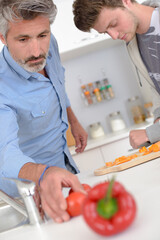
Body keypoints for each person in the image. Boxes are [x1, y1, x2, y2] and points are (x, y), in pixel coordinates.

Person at [0, 0, 88, 223]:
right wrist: (43, 173)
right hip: (31, 197)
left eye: (42, 35)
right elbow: (4, 153)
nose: (37, 51)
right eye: (22, 39)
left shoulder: (51, 45)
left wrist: (73, 120)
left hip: (66, 173)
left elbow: (58, 83)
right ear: (3, 38)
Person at [73, 0, 160, 149]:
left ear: (125, 2)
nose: (113, 36)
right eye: (106, 32)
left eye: (113, 24)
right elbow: (155, 86)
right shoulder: (134, 42)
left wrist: (152, 133)